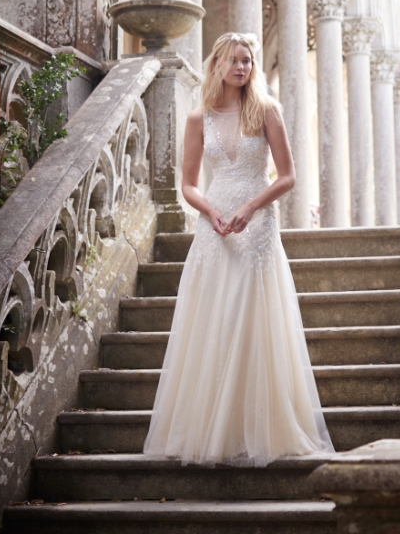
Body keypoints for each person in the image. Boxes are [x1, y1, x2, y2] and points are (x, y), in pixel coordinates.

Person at [143, 32, 334, 466]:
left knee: (252, 316)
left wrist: (251, 207)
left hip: (256, 221)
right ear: (217, 65)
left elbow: (287, 176)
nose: (242, 67)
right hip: (214, 225)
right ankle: (215, 428)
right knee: (218, 318)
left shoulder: (266, 111)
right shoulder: (198, 118)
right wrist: (211, 212)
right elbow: (188, 183)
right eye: (234, 60)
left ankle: (260, 427)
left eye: (248, 60)